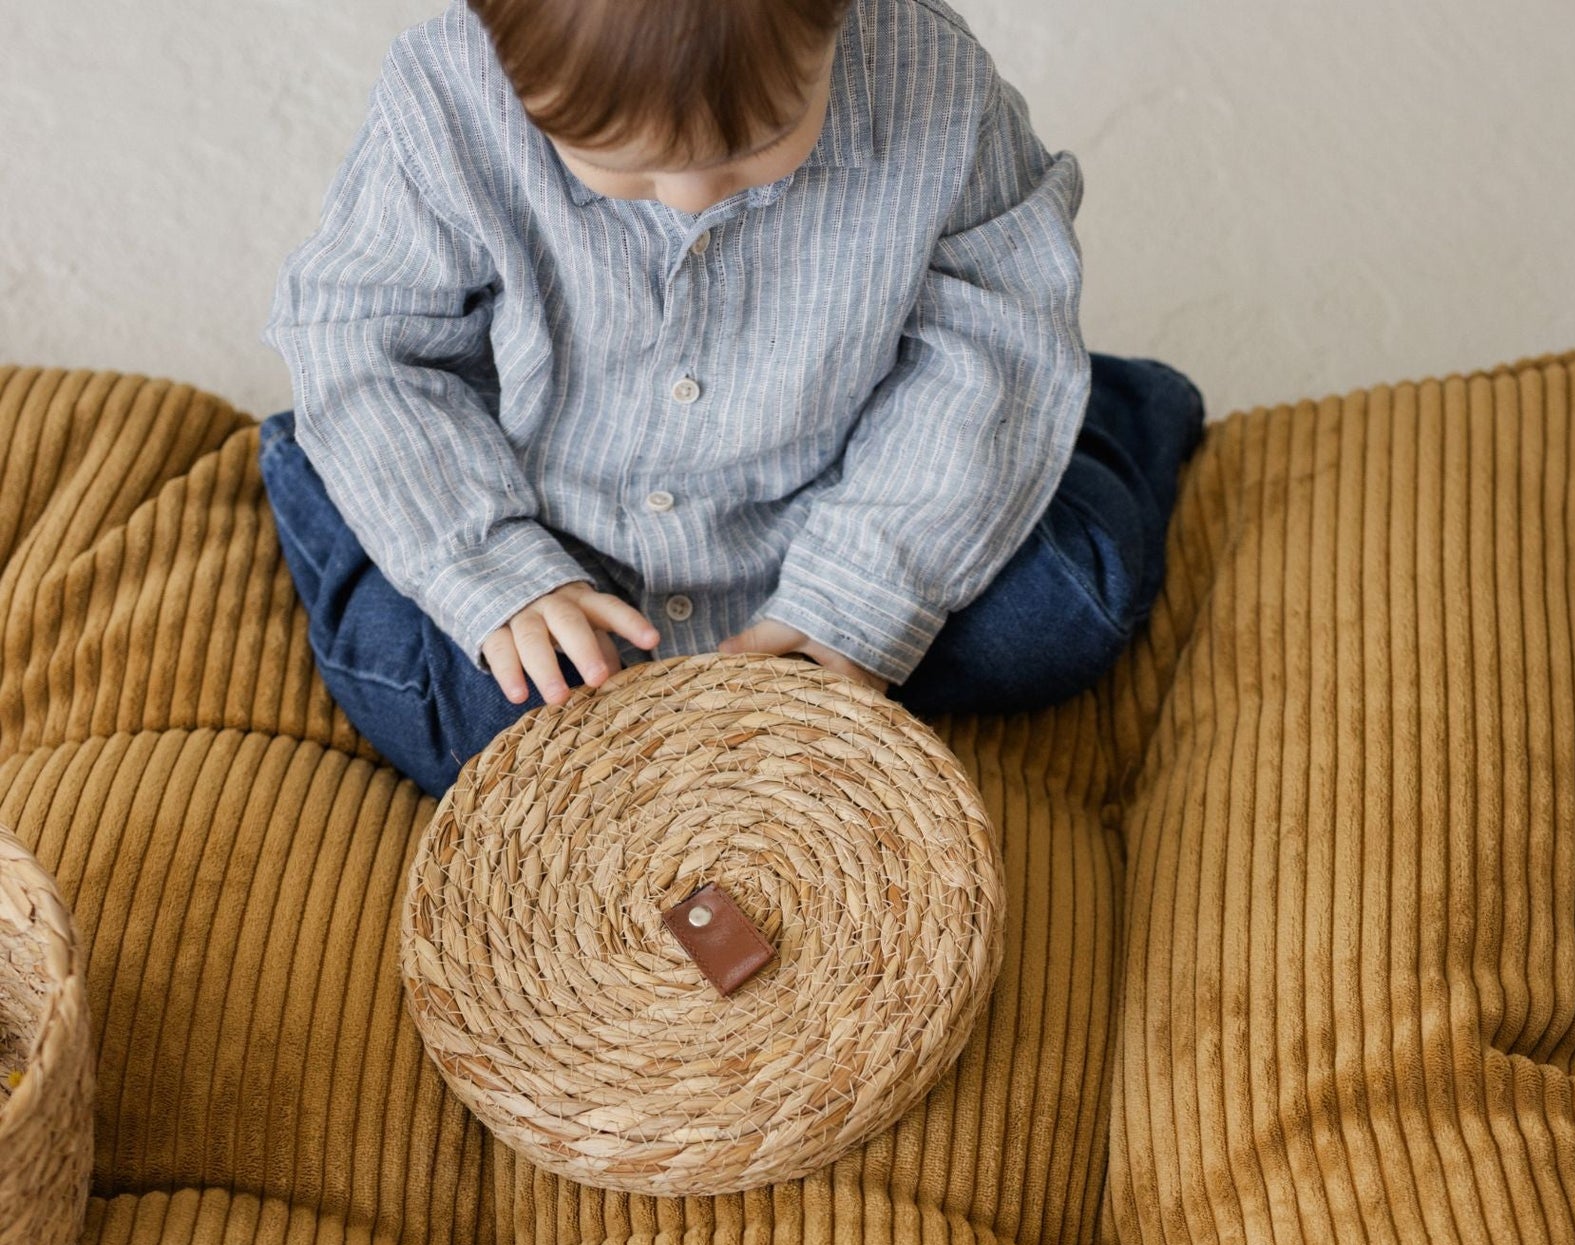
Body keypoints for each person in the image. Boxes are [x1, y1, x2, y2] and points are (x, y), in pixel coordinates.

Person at [262, 0, 1205, 797]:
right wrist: (495, 570)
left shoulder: (935, 85)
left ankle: (1098, 412)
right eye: (617, 163)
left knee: (1076, 605)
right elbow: (364, 336)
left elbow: (991, 337)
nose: (685, 200)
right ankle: (324, 476)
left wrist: (864, 603)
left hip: (836, 501)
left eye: (755, 148)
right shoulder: (445, 102)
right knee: (468, 728)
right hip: (553, 532)